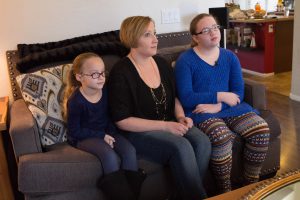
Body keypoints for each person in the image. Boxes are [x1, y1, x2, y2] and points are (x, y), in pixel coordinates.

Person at [108, 16, 211, 200]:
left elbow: (174, 98)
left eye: (154, 33)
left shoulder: (162, 63)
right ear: (132, 38)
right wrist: (165, 126)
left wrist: (180, 117)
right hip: (138, 133)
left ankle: (183, 194)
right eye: (148, 34)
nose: (156, 39)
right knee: (181, 146)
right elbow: (122, 121)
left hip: (170, 123)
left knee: (202, 141)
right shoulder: (120, 72)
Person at [174, 13, 270, 193]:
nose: (213, 32)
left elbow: (237, 94)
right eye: (206, 30)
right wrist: (220, 96)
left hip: (229, 108)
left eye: (215, 27)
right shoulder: (185, 60)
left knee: (261, 130)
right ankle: (225, 190)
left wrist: (220, 105)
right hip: (200, 111)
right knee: (221, 137)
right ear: (195, 38)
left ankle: (250, 185)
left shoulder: (230, 57)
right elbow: (186, 97)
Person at [63, 52, 145, 200]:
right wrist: (101, 136)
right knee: (109, 156)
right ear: (79, 77)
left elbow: (110, 116)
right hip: (83, 136)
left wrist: (110, 134)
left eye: (102, 73)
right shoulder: (76, 101)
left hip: (106, 132)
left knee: (129, 151)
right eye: (94, 74)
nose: (101, 77)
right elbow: (74, 131)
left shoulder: (106, 90)